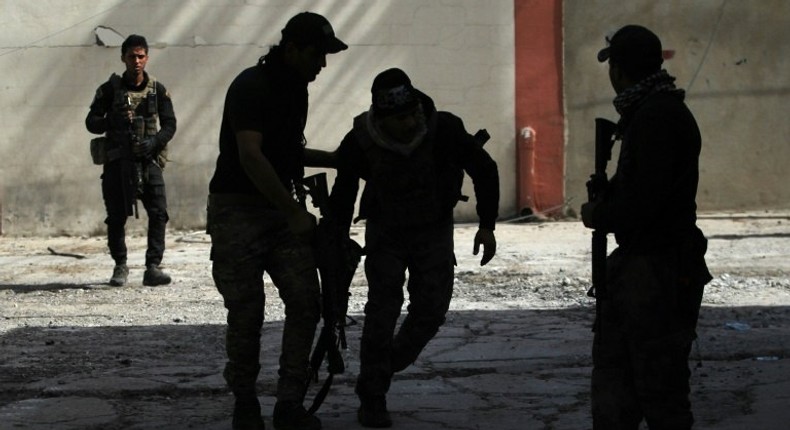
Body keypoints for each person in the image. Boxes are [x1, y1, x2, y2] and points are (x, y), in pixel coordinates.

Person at [328, 68, 500, 428]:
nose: (409, 123)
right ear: (381, 118)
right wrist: (336, 239)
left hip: (433, 230)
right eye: (400, 118)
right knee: (382, 312)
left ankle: (386, 363)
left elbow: (484, 168)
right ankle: (372, 396)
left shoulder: (444, 129)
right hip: (386, 232)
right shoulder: (361, 140)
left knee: (431, 310)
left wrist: (486, 226)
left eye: (412, 114)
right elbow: (342, 195)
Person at [206, 12, 347, 430]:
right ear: (291, 50)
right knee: (247, 312)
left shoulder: (296, 89)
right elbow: (251, 155)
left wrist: (335, 161)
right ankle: (245, 403)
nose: (322, 64)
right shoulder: (251, 86)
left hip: (280, 210)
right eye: (316, 54)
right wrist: (293, 212)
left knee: (307, 301)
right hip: (238, 213)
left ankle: (289, 403)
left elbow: (284, 154)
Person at [581, 25, 713, 429]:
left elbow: (642, 203)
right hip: (652, 266)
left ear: (619, 70)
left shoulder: (654, 118)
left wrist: (599, 214)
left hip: (655, 269)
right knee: (623, 384)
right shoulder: (655, 111)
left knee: (658, 388)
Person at [86, 34, 177, 287]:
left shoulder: (157, 90)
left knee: (158, 213)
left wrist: (155, 142)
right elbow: (91, 123)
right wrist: (111, 120)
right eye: (131, 56)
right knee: (116, 216)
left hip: (149, 161)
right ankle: (120, 266)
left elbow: (170, 124)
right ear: (123, 58)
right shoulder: (109, 90)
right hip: (118, 161)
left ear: (147, 58)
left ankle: (153, 267)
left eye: (140, 56)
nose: (136, 61)